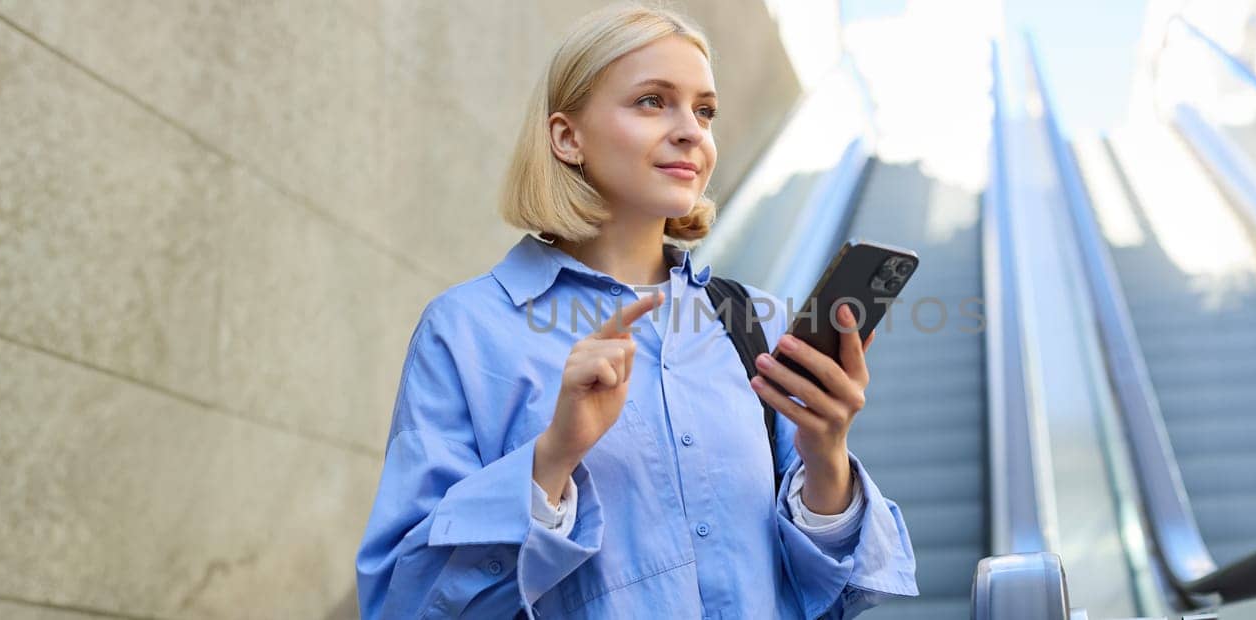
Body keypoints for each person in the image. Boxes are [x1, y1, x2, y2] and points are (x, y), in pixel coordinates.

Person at [354, 4, 918, 618]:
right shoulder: (466, 331)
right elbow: (401, 603)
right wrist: (553, 457)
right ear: (567, 138)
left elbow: (833, 595)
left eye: (704, 110)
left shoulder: (752, 319)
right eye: (652, 101)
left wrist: (826, 454)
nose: (691, 132)